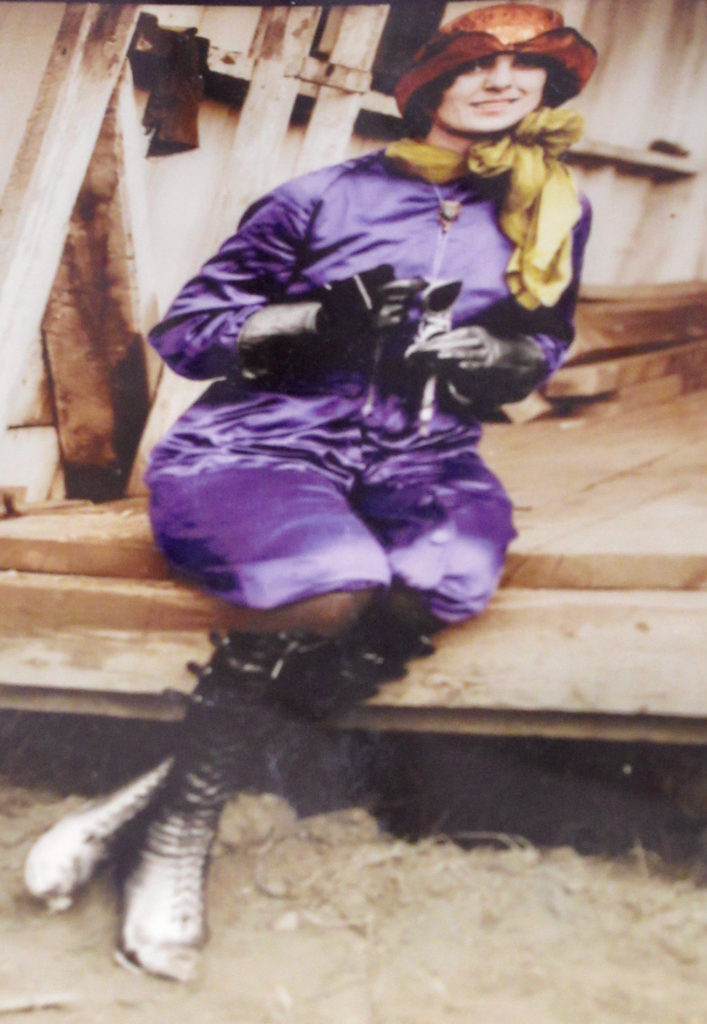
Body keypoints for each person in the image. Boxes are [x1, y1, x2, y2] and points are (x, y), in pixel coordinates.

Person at [24, 3, 597, 981]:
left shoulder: (549, 207)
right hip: (268, 441)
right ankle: (181, 836)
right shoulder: (319, 197)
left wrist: (496, 351)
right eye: (477, 63)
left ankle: (146, 799)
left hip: (420, 454)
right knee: (327, 576)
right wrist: (321, 318)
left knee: (446, 568)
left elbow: (540, 339)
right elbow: (192, 331)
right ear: (428, 83)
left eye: (526, 65)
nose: (502, 81)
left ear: (549, 86)